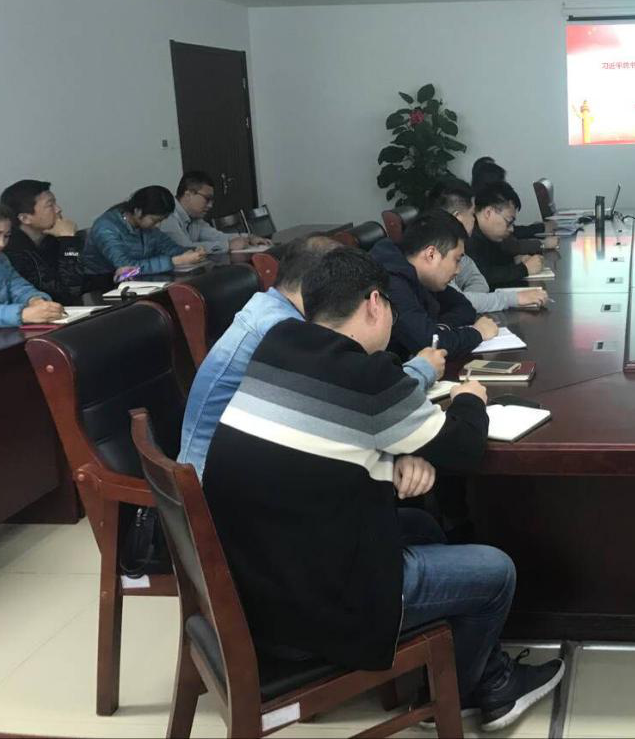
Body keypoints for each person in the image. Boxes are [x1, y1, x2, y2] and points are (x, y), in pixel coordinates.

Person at [202, 248, 564, 730]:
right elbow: (461, 449)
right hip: (314, 610)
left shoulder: (278, 344)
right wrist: (469, 399)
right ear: (375, 303)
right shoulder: (366, 378)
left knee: (422, 526)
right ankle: (465, 693)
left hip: (255, 582)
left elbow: (332, 438)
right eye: (390, 305)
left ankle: (468, 667)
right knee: (496, 572)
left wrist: (395, 453)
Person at [178, 234, 450, 480]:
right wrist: (422, 369)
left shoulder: (271, 307)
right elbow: (359, 396)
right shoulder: (281, 330)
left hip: (250, 467)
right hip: (219, 484)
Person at [371, 210, 498, 359]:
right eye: (457, 260)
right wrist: (477, 333)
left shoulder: (421, 276)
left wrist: (439, 329)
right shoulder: (391, 281)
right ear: (431, 254)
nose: (458, 270)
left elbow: (465, 307)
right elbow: (429, 345)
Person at [427, 179, 549, 313]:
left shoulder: (458, 247)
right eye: (472, 214)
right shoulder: (436, 251)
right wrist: (514, 298)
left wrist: (472, 301)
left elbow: (478, 282)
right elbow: (460, 301)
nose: (475, 219)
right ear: (457, 218)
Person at [0, 179, 98, 305]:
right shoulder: (14, 252)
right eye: (50, 205)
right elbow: (68, 293)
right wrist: (68, 242)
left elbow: (86, 282)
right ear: (25, 218)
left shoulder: (51, 240)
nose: (58, 209)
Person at [82, 185, 205, 277]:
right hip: (101, 285)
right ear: (138, 211)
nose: (158, 225)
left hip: (138, 282)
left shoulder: (147, 227)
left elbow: (169, 248)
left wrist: (191, 252)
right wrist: (175, 261)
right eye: (155, 220)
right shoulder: (106, 227)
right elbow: (125, 268)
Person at [159, 171, 271, 253]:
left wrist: (248, 238)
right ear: (188, 195)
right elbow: (184, 248)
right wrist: (227, 245)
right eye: (207, 199)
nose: (210, 205)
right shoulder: (167, 215)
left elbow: (216, 236)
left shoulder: (195, 217)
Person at [0, 201, 65, 327]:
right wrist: (22, 314)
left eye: (7, 236)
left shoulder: (0, 259)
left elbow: (20, 288)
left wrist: (35, 300)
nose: (1, 244)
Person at [470, 157, 558, 254]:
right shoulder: (474, 230)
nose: (504, 186)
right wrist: (542, 244)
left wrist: (540, 228)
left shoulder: (484, 215)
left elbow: (512, 234)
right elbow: (511, 245)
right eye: (502, 183)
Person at [467, 182, 545, 289]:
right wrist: (524, 269)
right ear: (488, 213)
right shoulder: (469, 234)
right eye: (508, 222)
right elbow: (482, 275)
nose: (511, 229)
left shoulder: (488, 234)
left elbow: (496, 262)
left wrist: (516, 260)